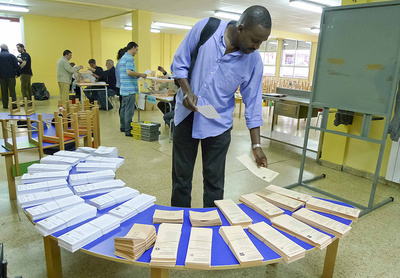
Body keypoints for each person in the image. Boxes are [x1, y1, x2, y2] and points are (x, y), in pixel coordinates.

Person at [171, 5, 271, 208]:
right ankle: (177, 226)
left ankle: (211, 227)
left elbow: (252, 103)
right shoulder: (206, 28)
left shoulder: (253, 61)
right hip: (186, 117)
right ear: (241, 28)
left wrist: (256, 146)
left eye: (262, 42)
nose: (257, 46)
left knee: (215, 185)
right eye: (255, 40)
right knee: (181, 181)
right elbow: (179, 63)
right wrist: (187, 91)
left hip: (218, 125)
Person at [119, 42, 147, 136]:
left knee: (123, 109)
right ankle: (128, 130)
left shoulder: (123, 58)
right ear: (133, 47)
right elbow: (129, 72)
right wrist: (140, 74)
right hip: (130, 88)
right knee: (129, 111)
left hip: (124, 88)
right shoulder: (129, 58)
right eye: (136, 50)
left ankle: (123, 126)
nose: (136, 52)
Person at [0, 44, 20, 109]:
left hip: (2, 77)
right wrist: (18, 74)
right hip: (11, 76)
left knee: (3, 91)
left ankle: (5, 105)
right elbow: (17, 66)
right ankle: (14, 105)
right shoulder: (12, 56)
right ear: (7, 48)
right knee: (12, 91)